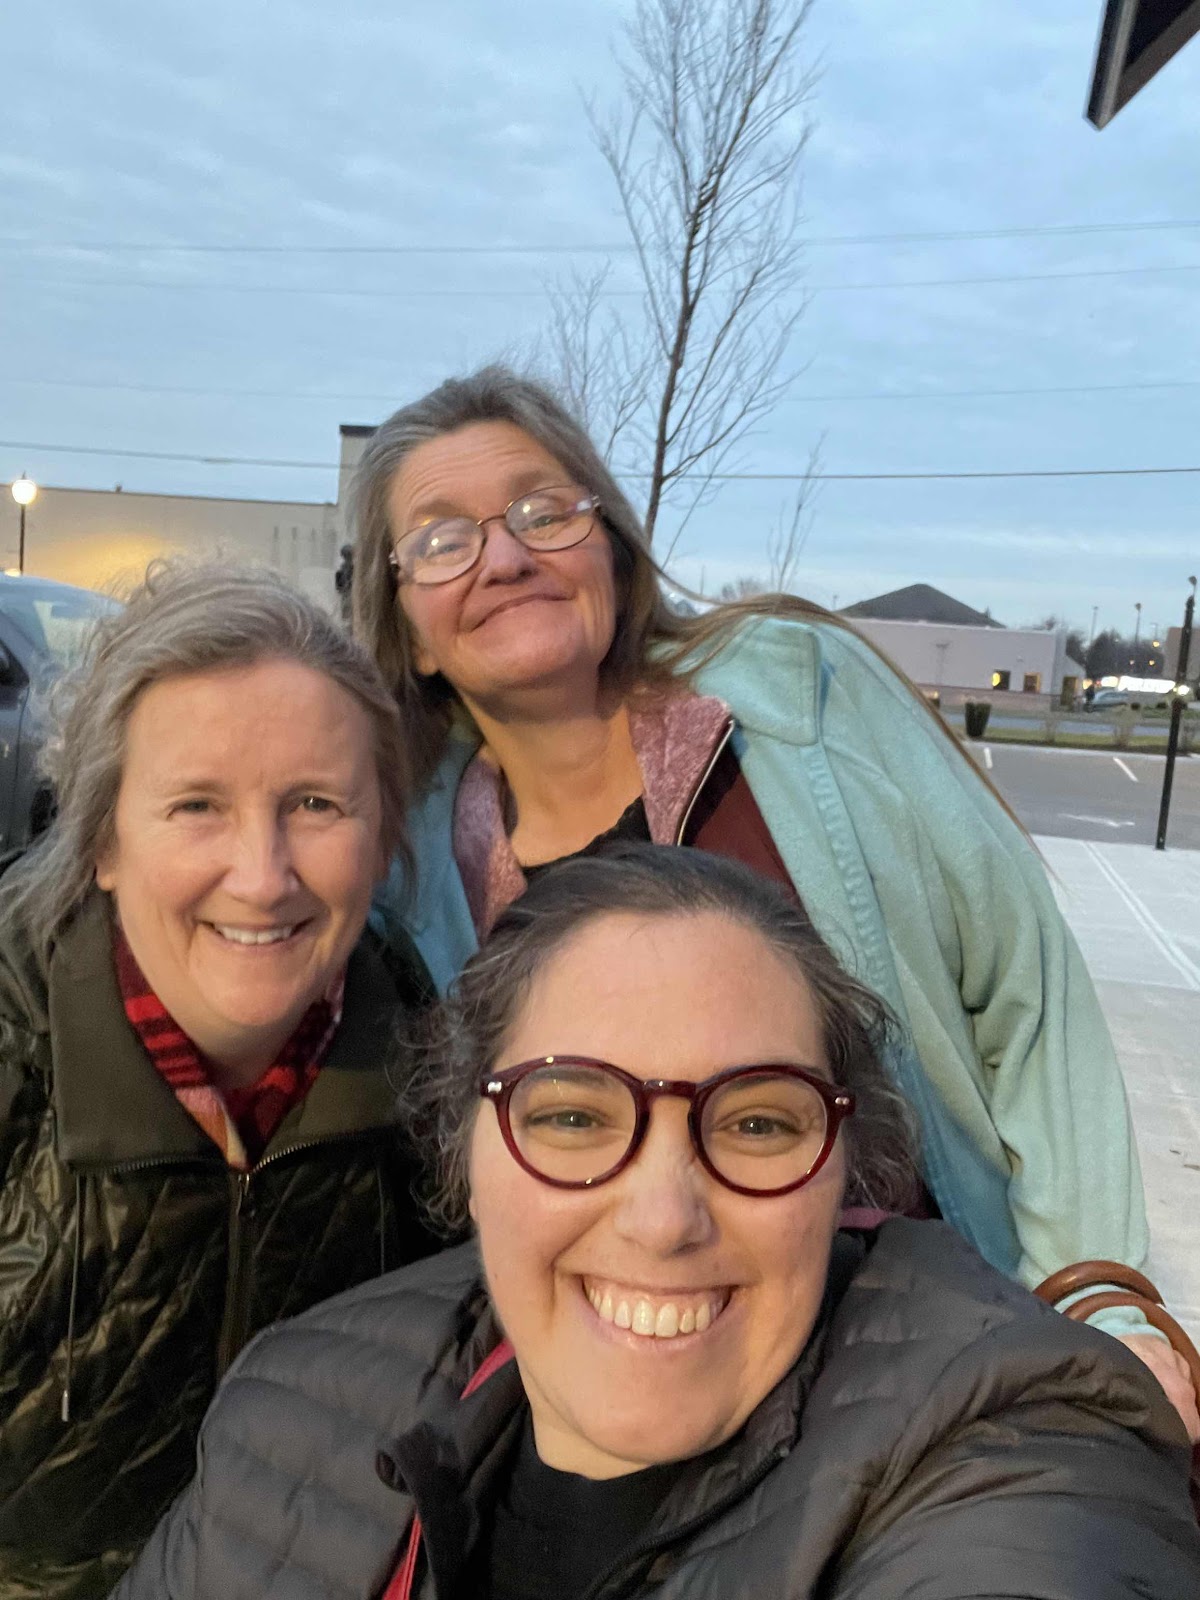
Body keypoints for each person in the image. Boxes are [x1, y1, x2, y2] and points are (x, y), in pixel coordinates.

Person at [349, 365, 1197, 1437]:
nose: (506, 557)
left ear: (612, 546)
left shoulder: (804, 695)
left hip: (945, 1347)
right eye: (441, 539)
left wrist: (1095, 1295)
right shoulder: (412, 870)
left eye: (542, 511)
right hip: (660, 1371)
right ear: (410, 629)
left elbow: (1024, 982)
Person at [114, 846, 1200, 1600]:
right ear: (465, 1146)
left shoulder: (1015, 1438)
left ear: (844, 1171)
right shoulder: (290, 1401)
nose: (665, 1215)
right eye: (574, 1115)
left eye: (758, 1122)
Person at [0, 562, 441, 1600]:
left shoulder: (431, 1071)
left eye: (316, 803)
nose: (262, 875)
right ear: (103, 840)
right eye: (197, 804)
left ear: (383, 833)